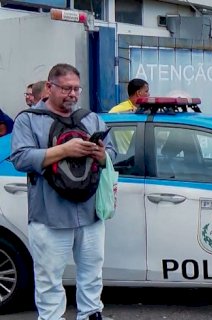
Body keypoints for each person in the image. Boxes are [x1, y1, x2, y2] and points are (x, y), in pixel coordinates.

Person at [10, 63, 115, 320]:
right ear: (49, 88)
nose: (72, 94)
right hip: (50, 216)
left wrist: (102, 155)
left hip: (90, 214)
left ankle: (91, 315)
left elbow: (112, 155)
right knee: (49, 282)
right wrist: (64, 151)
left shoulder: (91, 119)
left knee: (92, 277)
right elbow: (20, 158)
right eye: (66, 88)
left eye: (76, 89)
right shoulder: (28, 120)